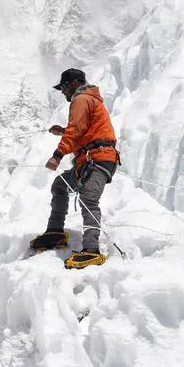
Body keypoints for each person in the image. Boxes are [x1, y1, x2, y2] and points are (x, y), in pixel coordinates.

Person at [29, 68, 120, 269]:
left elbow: (76, 130)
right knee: (60, 186)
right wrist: (63, 131)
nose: (62, 91)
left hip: (97, 158)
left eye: (63, 86)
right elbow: (82, 131)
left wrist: (57, 156)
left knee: (89, 198)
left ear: (74, 83)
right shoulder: (88, 100)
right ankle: (55, 232)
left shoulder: (81, 99)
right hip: (92, 159)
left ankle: (91, 250)